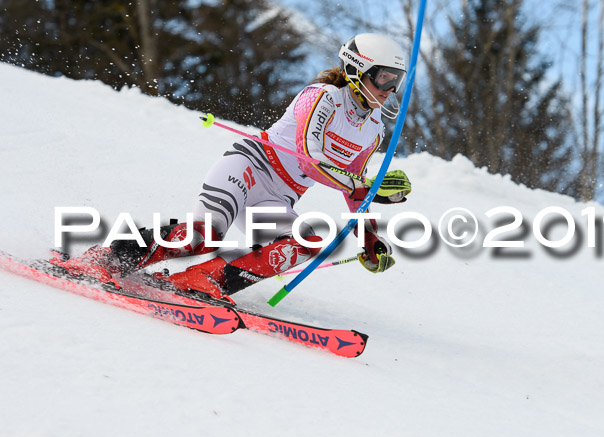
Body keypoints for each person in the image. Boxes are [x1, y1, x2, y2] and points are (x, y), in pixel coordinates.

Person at [54, 33, 412, 299]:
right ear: (357, 69)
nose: (388, 89)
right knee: (203, 236)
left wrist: (369, 239)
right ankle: (107, 258)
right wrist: (362, 184)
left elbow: (357, 197)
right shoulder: (321, 96)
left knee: (307, 242)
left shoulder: (373, 130)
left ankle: (204, 279)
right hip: (250, 167)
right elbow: (311, 157)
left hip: (278, 197)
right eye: (383, 77)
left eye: (395, 81)